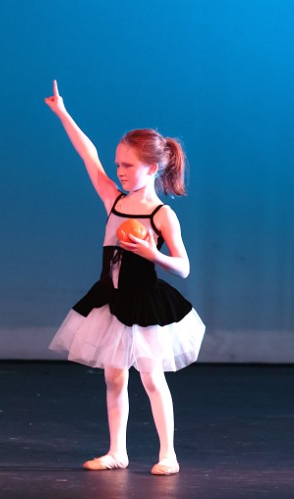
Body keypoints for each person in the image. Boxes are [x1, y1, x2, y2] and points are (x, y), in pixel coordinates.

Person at [45, 81, 205, 476]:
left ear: (152, 168)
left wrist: (153, 254)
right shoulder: (113, 200)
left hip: (144, 300)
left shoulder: (161, 214)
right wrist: (63, 112)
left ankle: (168, 454)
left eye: (128, 166)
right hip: (111, 299)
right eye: (118, 165)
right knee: (114, 378)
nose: (119, 171)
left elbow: (183, 266)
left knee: (152, 378)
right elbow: (88, 154)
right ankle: (118, 451)